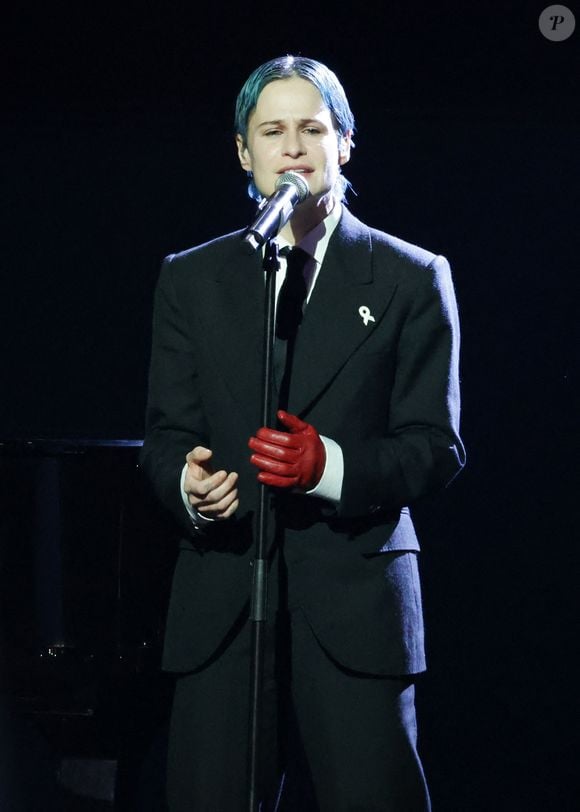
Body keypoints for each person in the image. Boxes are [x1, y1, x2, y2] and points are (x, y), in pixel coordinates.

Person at [140, 54, 466, 812]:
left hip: (355, 602)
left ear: (344, 144)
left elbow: (436, 444)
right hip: (222, 599)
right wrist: (186, 485)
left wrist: (330, 468)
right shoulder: (192, 279)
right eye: (273, 131)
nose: (292, 147)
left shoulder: (411, 276)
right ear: (243, 152)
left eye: (311, 129)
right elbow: (162, 437)